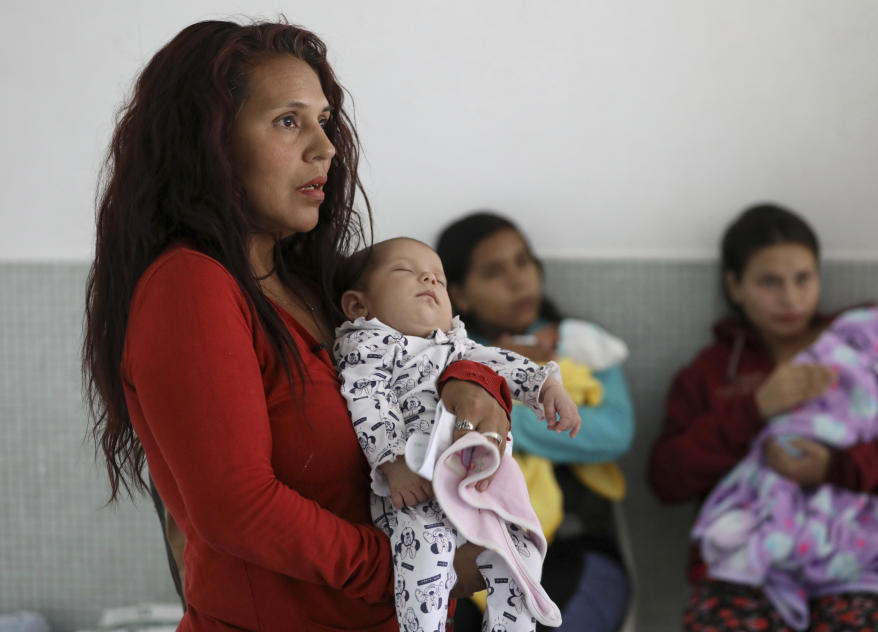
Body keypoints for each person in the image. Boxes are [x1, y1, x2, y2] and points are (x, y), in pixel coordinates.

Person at [82, 20, 512, 631]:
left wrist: (476, 383)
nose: (325, 147)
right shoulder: (190, 287)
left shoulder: (319, 282)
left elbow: (437, 344)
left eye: (323, 119)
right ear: (210, 141)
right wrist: (408, 570)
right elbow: (239, 509)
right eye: (289, 121)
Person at [648, 203, 878, 632]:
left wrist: (837, 467)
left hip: (864, 559)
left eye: (803, 279)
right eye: (769, 282)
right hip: (750, 566)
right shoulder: (713, 373)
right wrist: (753, 410)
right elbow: (666, 477)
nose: (791, 297)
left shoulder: (870, 352)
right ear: (734, 286)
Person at [333, 237, 581, 631]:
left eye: (439, 278)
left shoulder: (456, 345)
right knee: (427, 563)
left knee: (522, 551)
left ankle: (509, 626)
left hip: (477, 485)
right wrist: (393, 464)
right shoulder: (370, 346)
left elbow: (503, 362)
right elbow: (368, 401)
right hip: (417, 483)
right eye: (405, 270)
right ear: (358, 305)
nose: (429, 278)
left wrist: (545, 386)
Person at [436, 212, 636, 631]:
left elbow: (615, 433)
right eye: (494, 272)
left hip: (575, 547)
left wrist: (503, 414)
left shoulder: (581, 346)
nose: (517, 280)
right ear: (461, 294)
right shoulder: (454, 361)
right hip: (473, 554)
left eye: (523, 262)